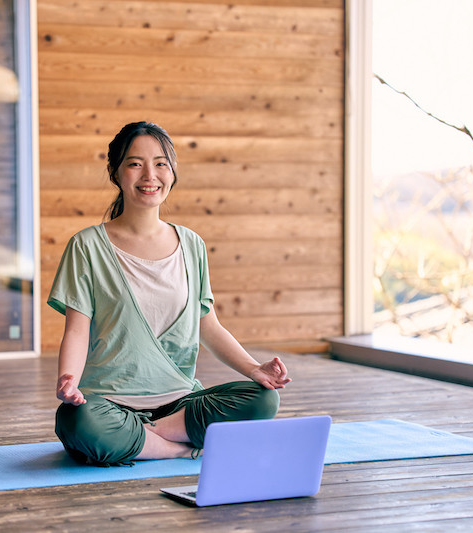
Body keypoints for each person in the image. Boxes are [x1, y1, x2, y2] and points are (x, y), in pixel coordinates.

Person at [47, 121, 291, 466]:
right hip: (111, 404)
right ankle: (181, 448)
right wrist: (68, 381)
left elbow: (209, 326)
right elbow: (76, 327)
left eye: (161, 163)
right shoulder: (86, 246)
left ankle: (145, 438)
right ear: (116, 173)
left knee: (263, 401)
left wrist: (255, 370)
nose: (150, 174)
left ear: (172, 172)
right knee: (77, 421)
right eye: (135, 163)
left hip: (180, 403)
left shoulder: (192, 244)